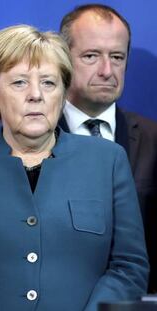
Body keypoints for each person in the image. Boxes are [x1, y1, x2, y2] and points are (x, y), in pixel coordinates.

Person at [0, 25, 148, 310]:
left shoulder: (109, 161)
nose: (36, 95)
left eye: (49, 83)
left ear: (63, 95)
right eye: (19, 83)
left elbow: (129, 266)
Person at [59, 4, 157, 293]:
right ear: (64, 59)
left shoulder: (154, 139)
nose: (107, 70)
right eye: (91, 56)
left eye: (117, 57)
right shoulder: (30, 137)